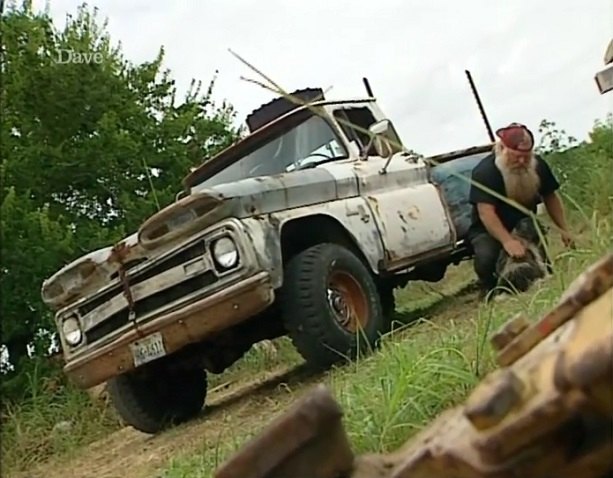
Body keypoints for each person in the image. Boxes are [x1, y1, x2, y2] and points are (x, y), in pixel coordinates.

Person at [466, 122, 574, 298]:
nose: (522, 162)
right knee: (486, 258)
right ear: (502, 149)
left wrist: (564, 229)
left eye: (527, 156)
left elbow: (550, 197)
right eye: (516, 157)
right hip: (489, 229)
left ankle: (541, 270)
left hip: (524, 223)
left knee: (532, 235)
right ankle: (490, 289)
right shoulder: (485, 172)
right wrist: (507, 241)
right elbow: (486, 213)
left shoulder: (538, 165)